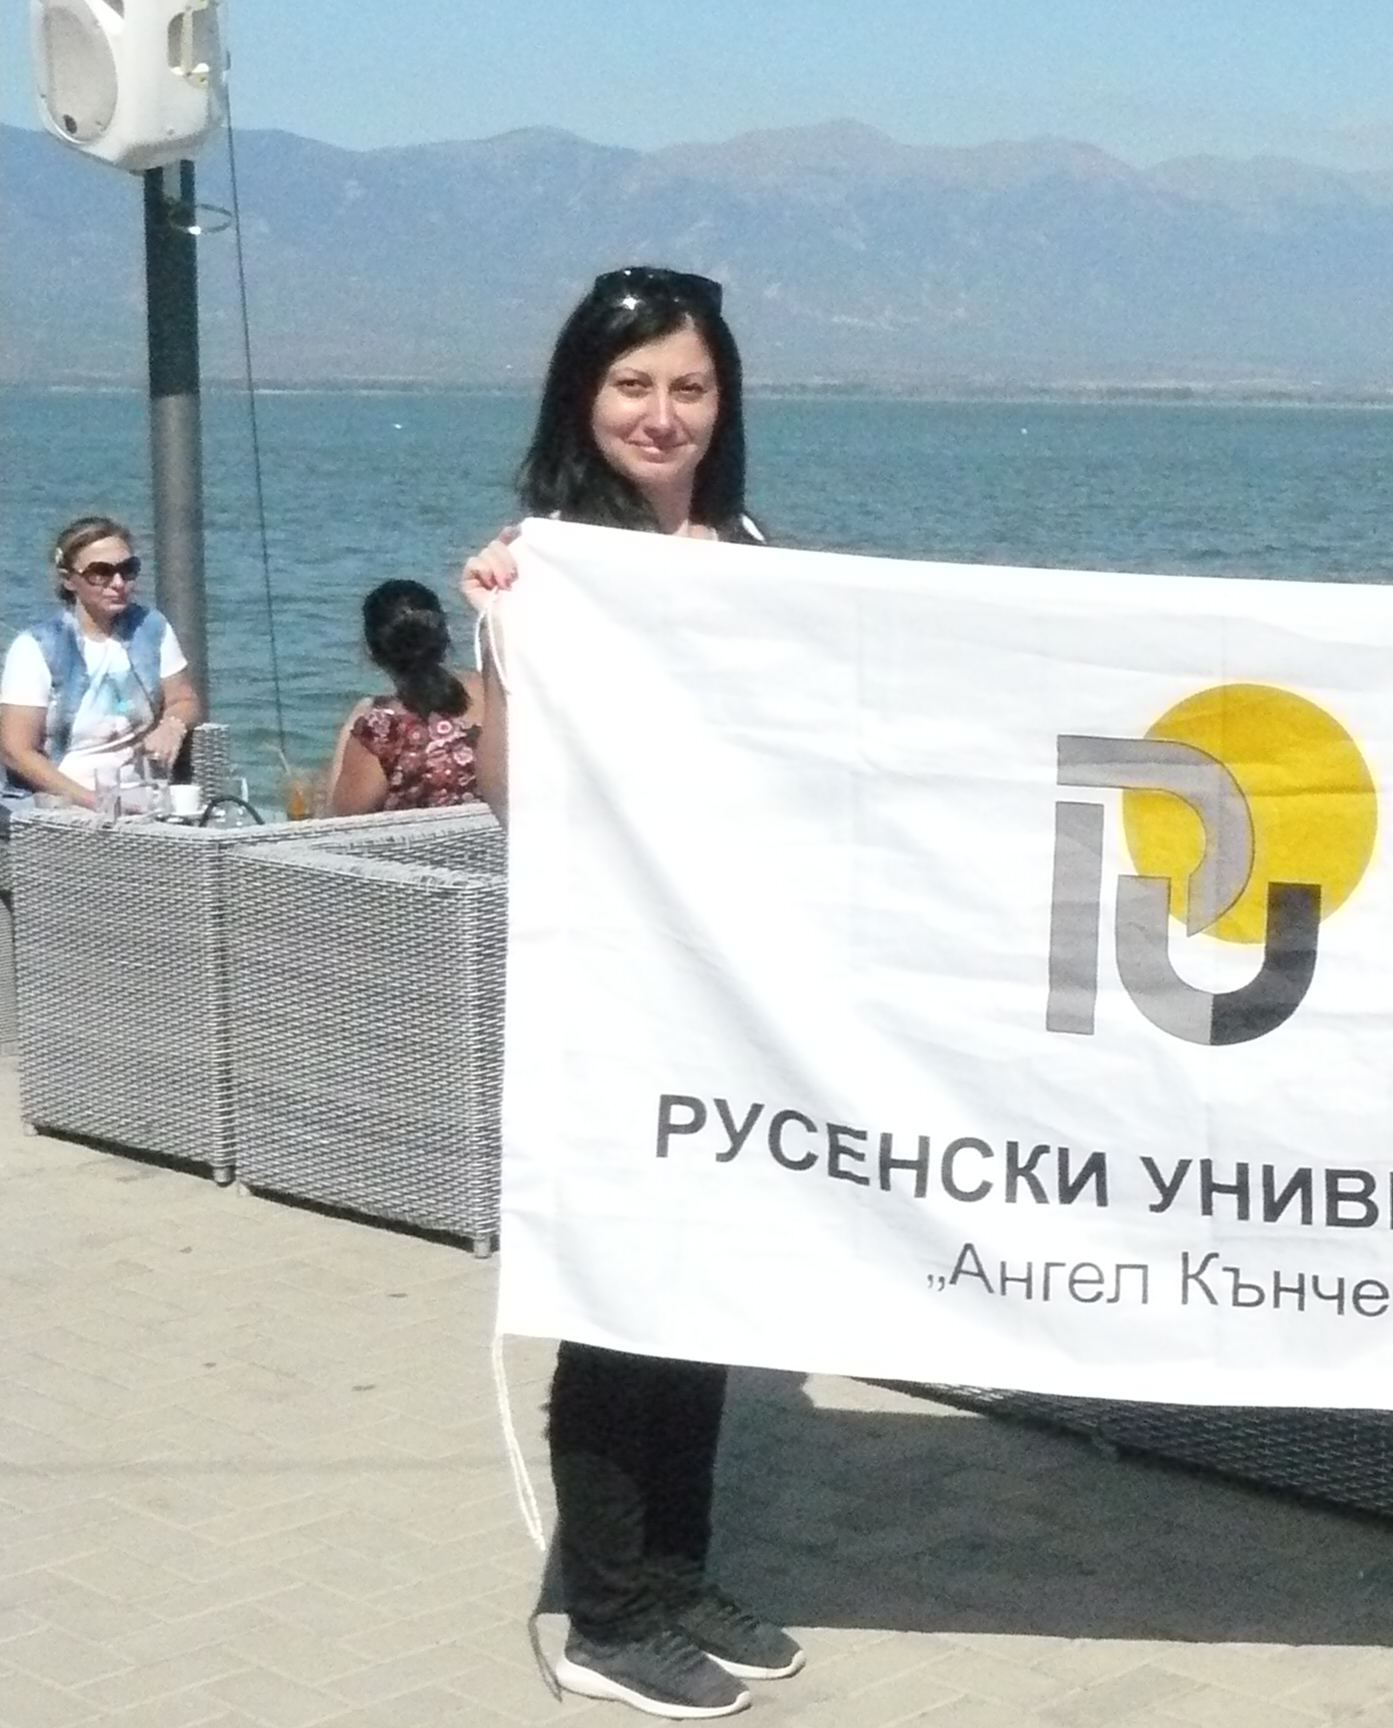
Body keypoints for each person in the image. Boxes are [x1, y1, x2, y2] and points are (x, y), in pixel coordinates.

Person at [458, 264, 789, 1722]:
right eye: (633, 385)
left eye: (690, 387)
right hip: (611, 983)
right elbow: (509, 790)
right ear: (580, 399)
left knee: (706, 1288)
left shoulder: (751, 549)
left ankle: (675, 1571)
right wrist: (501, 642)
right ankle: (604, 1613)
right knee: (618, 1294)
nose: (662, 415)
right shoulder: (548, 568)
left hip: (733, 985)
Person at [2, 516, 203, 807]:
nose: (118, 583)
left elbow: (184, 699)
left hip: (143, 794)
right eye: (100, 573)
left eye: (127, 570)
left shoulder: (151, 628)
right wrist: (97, 802)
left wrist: (172, 725)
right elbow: (15, 750)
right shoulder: (37, 648)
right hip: (60, 805)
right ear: (69, 579)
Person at [319, 579, 484, 816]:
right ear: (445, 636)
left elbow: (341, 820)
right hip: (499, 837)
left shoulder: (381, 730)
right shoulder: (492, 692)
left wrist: (350, 730)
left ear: (372, 652)